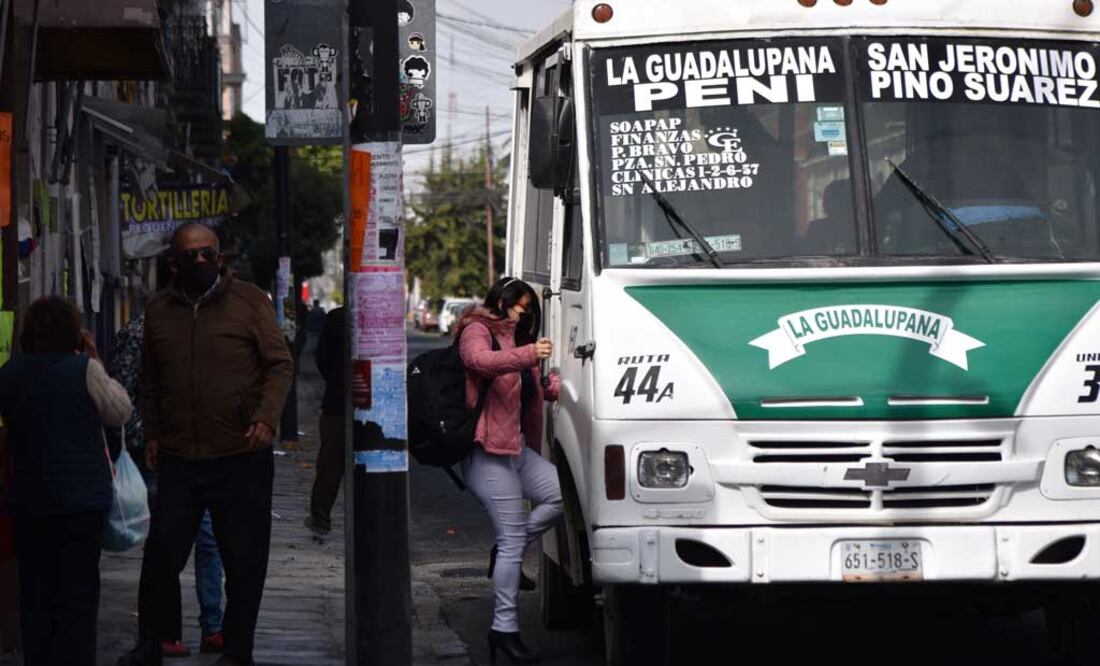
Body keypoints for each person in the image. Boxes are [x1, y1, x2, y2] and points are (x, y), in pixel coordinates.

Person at [118, 223, 293, 666]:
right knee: (161, 556)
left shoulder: (250, 302)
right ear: (174, 263)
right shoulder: (159, 310)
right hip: (180, 456)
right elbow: (151, 382)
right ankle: (149, 644)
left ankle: (237, 651)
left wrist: (265, 418)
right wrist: (153, 433)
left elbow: (279, 365)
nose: (199, 262)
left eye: (206, 254)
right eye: (189, 256)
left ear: (220, 258)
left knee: (244, 560)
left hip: (240, 455)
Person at [0, 296, 133, 666]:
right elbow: (120, 411)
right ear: (73, 332)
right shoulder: (84, 370)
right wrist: (95, 359)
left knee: (36, 593)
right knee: (78, 596)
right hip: (81, 503)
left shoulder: (10, 374)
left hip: (30, 499)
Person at [454, 277, 563, 664]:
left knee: (560, 497)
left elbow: (525, 389)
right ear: (499, 300)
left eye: (529, 306)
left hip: (514, 449)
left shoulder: (519, 339)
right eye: (518, 303)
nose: (524, 310)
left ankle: (506, 545)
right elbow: (479, 363)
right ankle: (503, 630)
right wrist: (528, 355)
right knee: (515, 539)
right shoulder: (477, 329)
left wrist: (550, 387)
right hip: (485, 452)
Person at [108, 309, 226, 657]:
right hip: (160, 455)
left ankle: (212, 625)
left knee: (206, 540)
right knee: (167, 545)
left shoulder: (198, 332)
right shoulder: (138, 334)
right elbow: (125, 395)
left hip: (197, 450)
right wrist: (145, 440)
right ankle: (164, 631)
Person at [305, 306, 345, 536]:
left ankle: (321, 518)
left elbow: (323, 357)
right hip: (377, 401)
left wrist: (337, 380)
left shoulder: (337, 317)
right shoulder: (387, 313)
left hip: (338, 400)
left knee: (330, 464)